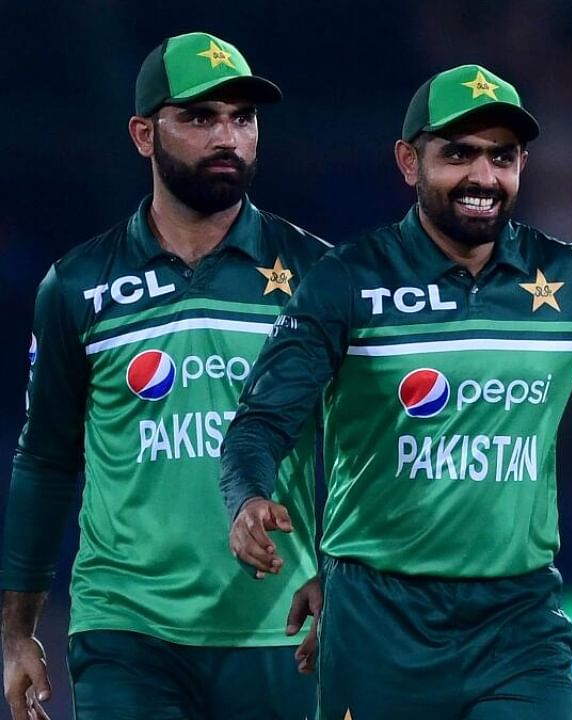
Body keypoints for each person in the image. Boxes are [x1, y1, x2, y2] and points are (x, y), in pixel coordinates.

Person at [218, 63, 572, 720]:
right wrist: (247, 495)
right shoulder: (348, 281)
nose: (482, 177)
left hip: (518, 628)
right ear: (408, 161)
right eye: (458, 154)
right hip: (378, 628)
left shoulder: (565, 281)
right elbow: (262, 420)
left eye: (501, 157)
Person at [0, 32, 329, 720]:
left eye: (242, 118)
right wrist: (17, 631)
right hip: (127, 631)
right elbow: (47, 460)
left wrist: (350, 585)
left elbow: (365, 450)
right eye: (201, 118)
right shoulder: (79, 285)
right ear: (144, 135)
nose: (228, 137)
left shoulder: (319, 276)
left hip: (280, 628)